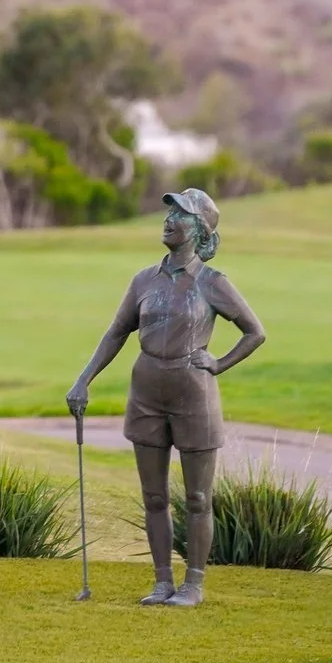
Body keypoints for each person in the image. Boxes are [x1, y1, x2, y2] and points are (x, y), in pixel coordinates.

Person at [65, 188, 267, 607]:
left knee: (197, 498)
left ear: (200, 229)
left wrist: (219, 363)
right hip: (146, 391)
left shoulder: (213, 283)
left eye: (181, 214)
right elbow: (117, 331)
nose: (169, 219)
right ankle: (162, 582)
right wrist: (83, 379)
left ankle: (193, 584)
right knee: (154, 496)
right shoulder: (143, 279)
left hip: (194, 393)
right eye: (169, 212)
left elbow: (254, 331)